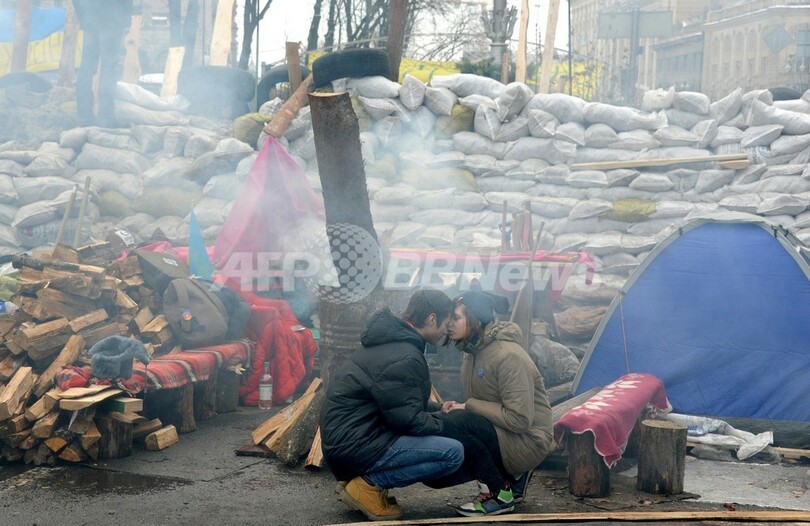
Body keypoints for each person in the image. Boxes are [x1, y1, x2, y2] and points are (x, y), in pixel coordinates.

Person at [319, 288, 464, 521]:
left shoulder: (393, 343)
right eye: (446, 323)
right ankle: (368, 484)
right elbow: (408, 421)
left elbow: (398, 401)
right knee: (452, 453)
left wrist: (438, 408)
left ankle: (360, 481)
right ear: (431, 318)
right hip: (354, 446)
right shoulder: (404, 355)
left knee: (445, 444)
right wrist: (448, 421)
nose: (446, 331)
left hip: (350, 440)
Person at [429, 291, 554, 517]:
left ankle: (500, 493)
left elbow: (520, 419)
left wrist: (468, 406)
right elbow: (485, 404)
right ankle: (509, 479)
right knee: (436, 475)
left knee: (457, 422)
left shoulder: (508, 356)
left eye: (456, 318)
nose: (449, 324)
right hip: (504, 433)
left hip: (529, 440)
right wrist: (460, 406)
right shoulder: (472, 352)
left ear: (476, 319)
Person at [73, 0, 134, 127]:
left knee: (87, 68)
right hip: (112, 18)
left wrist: (83, 18)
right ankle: (106, 117)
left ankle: (84, 117)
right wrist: (126, 20)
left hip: (90, 19)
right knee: (110, 68)